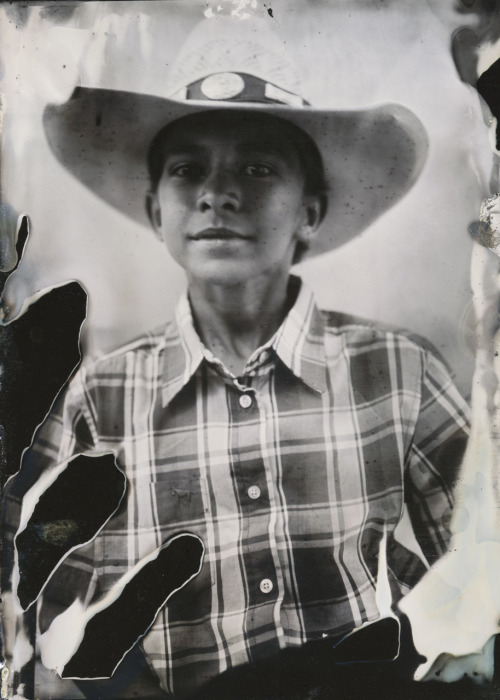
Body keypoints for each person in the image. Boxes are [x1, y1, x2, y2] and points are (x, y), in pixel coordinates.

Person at [2, 14, 471, 700]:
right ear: (157, 211)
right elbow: (32, 590)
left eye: (257, 166)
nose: (218, 193)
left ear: (310, 211)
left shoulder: (398, 370)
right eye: (188, 169)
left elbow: (482, 560)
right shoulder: (102, 397)